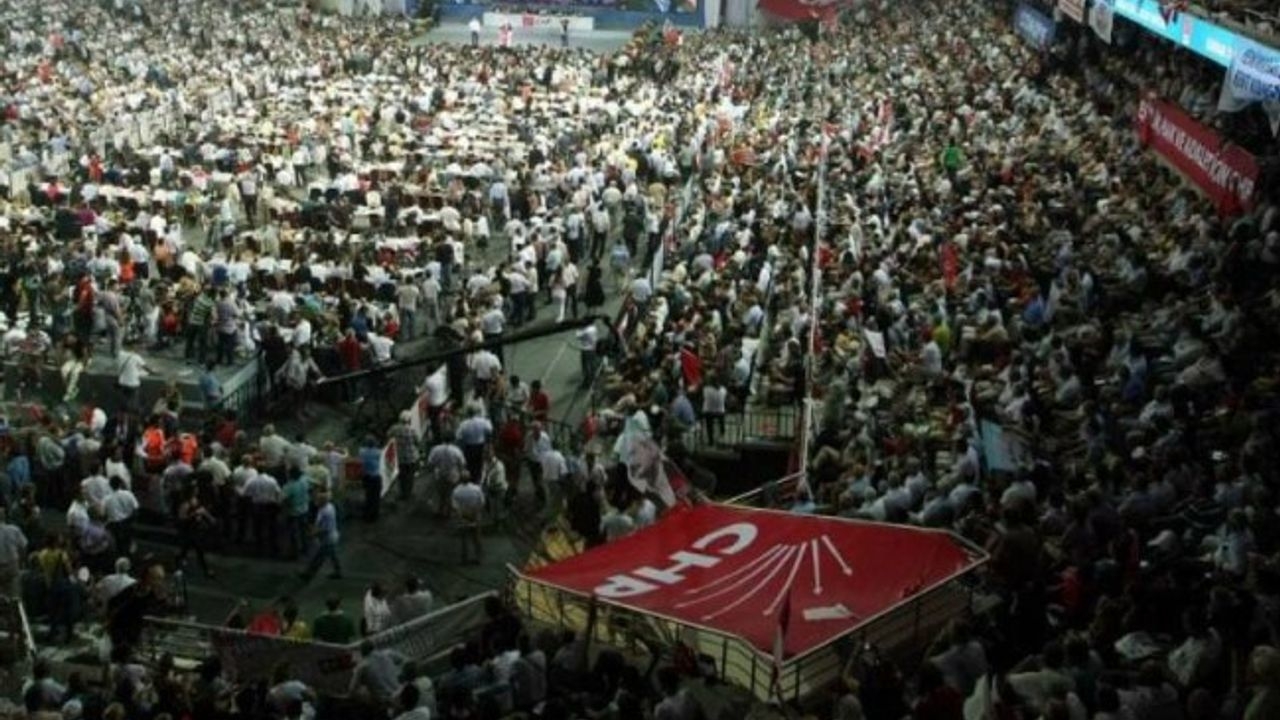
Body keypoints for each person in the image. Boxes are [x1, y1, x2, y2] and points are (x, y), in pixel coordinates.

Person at [299, 489, 342, 582]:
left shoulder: (326, 512)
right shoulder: (329, 507)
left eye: (317, 500)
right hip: (331, 536)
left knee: (319, 558)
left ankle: (308, 574)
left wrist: (312, 534)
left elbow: (324, 528)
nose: (315, 501)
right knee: (332, 556)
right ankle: (338, 572)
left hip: (328, 538)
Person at [175, 486, 216, 578]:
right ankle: (205, 570)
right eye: (195, 490)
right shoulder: (185, 504)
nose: (197, 491)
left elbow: (202, 510)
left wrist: (210, 518)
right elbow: (182, 518)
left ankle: (179, 567)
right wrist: (195, 514)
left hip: (195, 529)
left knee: (188, 550)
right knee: (193, 550)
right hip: (189, 530)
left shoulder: (195, 500)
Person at [452, 475, 485, 564]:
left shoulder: (456, 490)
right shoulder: (476, 489)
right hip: (475, 514)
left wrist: (459, 515)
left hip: (463, 515)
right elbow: (482, 502)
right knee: (477, 538)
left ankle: (464, 558)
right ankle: (479, 558)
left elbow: (455, 506)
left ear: (460, 479)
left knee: (464, 539)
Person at [0, 508, 28, 598]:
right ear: (5, 517)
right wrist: (22, 561)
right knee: (14, 596)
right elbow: (24, 546)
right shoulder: (14, 529)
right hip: (13, 565)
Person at [359, 436, 383, 522]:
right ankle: (374, 515)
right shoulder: (378, 452)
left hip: (366, 476)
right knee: (376, 496)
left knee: (368, 495)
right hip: (375, 476)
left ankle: (367, 514)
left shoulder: (362, 452)